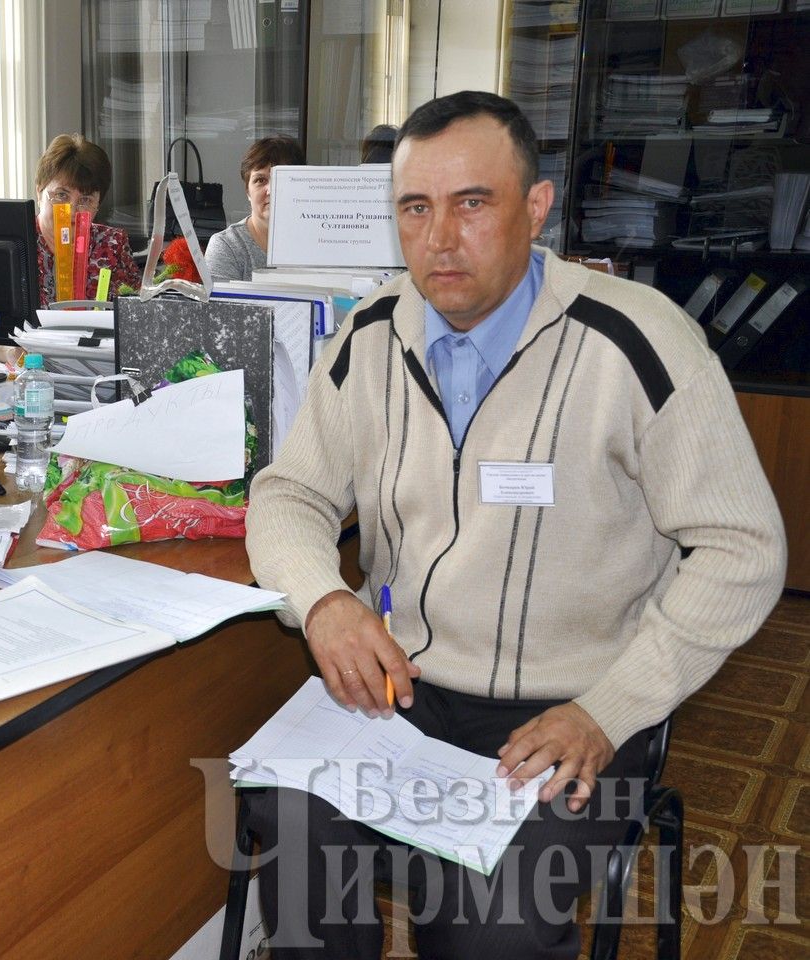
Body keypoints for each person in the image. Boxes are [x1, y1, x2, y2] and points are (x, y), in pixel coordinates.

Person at [242, 91, 785, 958]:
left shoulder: (636, 341)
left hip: (572, 708)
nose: (439, 237)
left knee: (487, 925)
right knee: (295, 839)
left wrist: (612, 708)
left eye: (471, 203)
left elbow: (744, 549)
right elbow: (288, 495)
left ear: (533, 209)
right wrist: (322, 601)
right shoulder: (370, 335)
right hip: (404, 695)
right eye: (415, 208)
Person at [34, 134, 142, 305]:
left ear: (98, 204)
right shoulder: (19, 242)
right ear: (39, 192)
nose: (72, 211)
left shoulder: (113, 244)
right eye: (61, 195)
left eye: (85, 200)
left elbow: (134, 313)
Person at [204, 136, 305, 282]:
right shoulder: (227, 246)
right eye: (260, 180)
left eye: (282, 179)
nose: (271, 190)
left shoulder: (318, 242)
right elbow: (221, 305)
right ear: (248, 191)